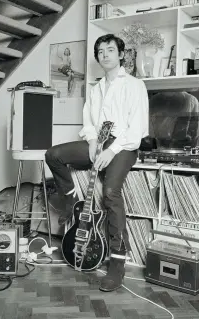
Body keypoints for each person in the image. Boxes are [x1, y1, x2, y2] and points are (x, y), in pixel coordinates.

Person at [45, 33, 149, 292]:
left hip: (124, 145)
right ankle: (70, 202)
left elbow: (135, 130)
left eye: (110, 50)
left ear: (121, 54)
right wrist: (92, 142)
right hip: (99, 142)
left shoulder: (135, 85)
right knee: (53, 155)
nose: (105, 54)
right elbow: (89, 123)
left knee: (111, 192)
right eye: (100, 51)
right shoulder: (96, 88)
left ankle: (117, 263)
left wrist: (111, 151)